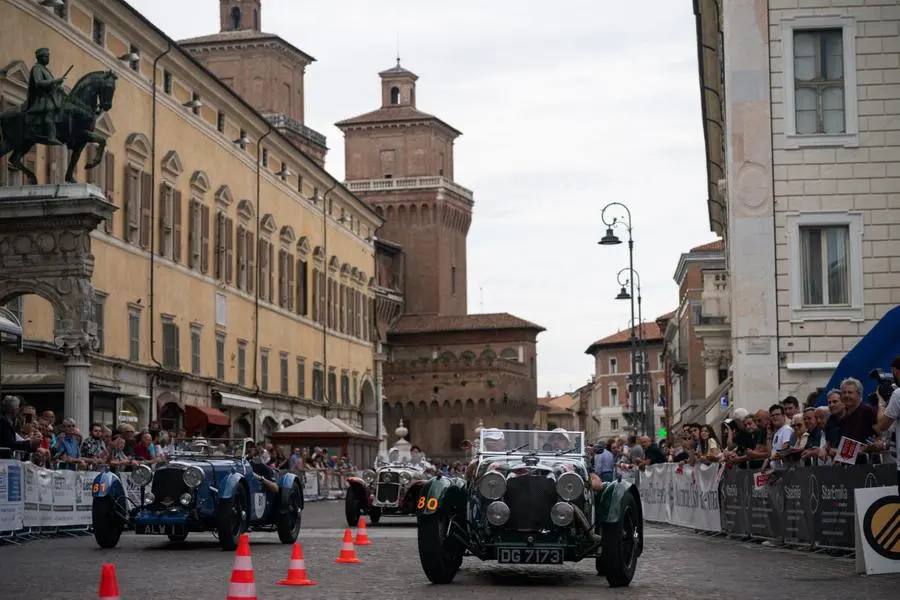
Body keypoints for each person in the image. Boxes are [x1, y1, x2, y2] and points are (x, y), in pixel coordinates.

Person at [25, 48, 65, 145]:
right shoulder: (37, 68)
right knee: (50, 108)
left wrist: (58, 86)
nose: (48, 59)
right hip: (41, 98)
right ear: (40, 57)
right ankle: (51, 136)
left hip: (50, 97)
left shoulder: (46, 70)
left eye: (48, 57)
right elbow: (38, 83)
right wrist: (55, 81)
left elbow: (51, 85)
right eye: (46, 57)